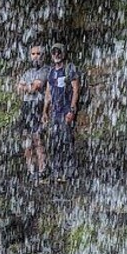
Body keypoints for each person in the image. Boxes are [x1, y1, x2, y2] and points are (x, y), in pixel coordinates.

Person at [42, 43, 80, 182]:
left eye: (59, 52)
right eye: (54, 52)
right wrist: (44, 111)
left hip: (66, 111)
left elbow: (76, 90)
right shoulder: (51, 71)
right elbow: (48, 92)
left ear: (63, 53)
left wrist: (72, 110)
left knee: (67, 141)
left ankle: (70, 172)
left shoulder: (70, 69)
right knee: (54, 142)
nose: (56, 55)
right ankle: (56, 171)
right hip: (54, 113)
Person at [15, 45, 50, 180]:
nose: (35, 56)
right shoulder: (28, 72)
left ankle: (42, 169)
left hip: (37, 105)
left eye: (38, 53)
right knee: (26, 139)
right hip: (26, 106)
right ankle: (30, 170)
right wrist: (27, 87)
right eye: (33, 54)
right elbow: (18, 88)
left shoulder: (46, 70)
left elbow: (35, 88)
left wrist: (26, 86)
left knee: (37, 138)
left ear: (43, 55)